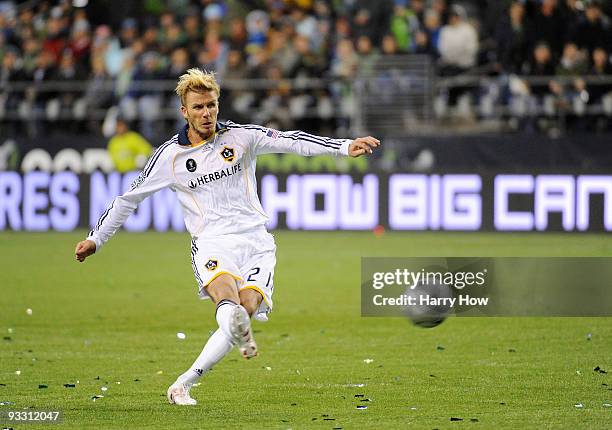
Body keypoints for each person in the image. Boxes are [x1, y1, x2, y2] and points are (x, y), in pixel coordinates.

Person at [73, 68, 380, 405]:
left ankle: (183, 383)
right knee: (227, 299)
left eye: (212, 106)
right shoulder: (169, 157)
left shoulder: (242, 136)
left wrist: (343, 146)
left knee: (245, 308)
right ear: (184, 112)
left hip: (256, 242)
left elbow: (291, 141)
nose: (206, 114)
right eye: (199, 108)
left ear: (218, 105)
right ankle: (230, 327)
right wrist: (96, 239)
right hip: (212, 241)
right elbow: (129, 199)